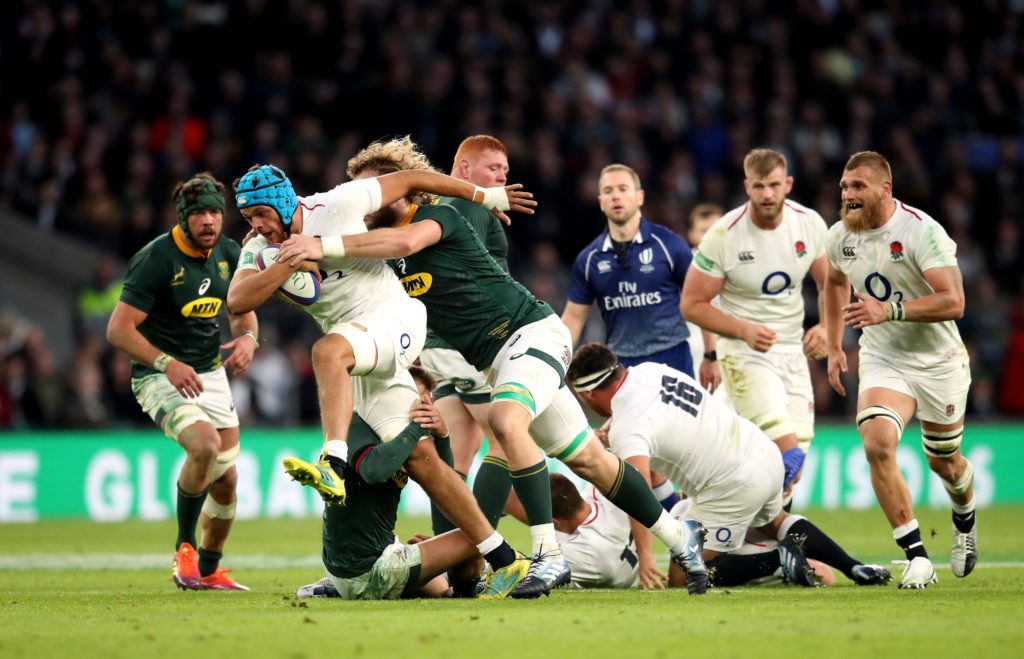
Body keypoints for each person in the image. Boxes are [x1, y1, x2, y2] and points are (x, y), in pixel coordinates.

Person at [275, 137, 712, 597]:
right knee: (591, 461)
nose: (364, 204)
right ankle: (682, 539)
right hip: (496, 362)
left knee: (505, 420)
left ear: (400, 192)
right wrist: (274, 242)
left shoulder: (435, 218)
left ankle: (546, 555)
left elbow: (403, 239)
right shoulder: (379, 258)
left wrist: (320, 243)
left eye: (376, 192)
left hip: (531, 333)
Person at [226, 161, 535, 597]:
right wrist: (286, 260)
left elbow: (411, 180)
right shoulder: (260, 247)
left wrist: (483, 196)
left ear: (280, 201)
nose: (255, 225)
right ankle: (507, 560)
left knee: (325, 350)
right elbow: (237, 301)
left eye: (260, 213)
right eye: (248, 219)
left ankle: (332, 461)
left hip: (394, 322)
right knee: (422, 461)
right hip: (361, 354)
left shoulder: (336, 204)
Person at [567, 341, 892, 590]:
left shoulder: (628, 425)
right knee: (774, 522)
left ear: (589, 393)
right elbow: (656, 417)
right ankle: (854, 567)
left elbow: (637, 489)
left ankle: (777, 562)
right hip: (761, 452)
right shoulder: (649, 371)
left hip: (733, 484)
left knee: (682, 575)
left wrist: (647, 556)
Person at [825, 151, 977, 589]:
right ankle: (916, 556)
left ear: (884, 190)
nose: (848, 195)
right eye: (844, 186)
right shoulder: (840, 237)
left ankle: (964, 518)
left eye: (858, 187)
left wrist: (889, 310)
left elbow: (955, 301)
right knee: (876, 442)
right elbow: (834, 282)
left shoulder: (920, 231)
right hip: (884, 357)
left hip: (938, 361)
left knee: (944, 462)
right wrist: (835, 344)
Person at [106, 172, 256, 591]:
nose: (209, 221)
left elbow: (243, 310)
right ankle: (184, 550)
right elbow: (118, 330)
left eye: (215, 212)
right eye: (200, 214)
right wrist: (166, 363)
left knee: (227, 480)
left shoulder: (229, 254)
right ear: (184, 217)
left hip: (209, 373)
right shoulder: (156, 259)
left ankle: (208, 569)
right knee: (205, 445)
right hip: (159, 375)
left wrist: (248, 338)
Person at [681, 149, 829, 491]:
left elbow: (832, 282)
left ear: (788, 184)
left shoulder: (808, 223)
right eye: (759, 186)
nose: (767, 194)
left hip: (793, 353)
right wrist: (742, 332)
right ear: (747, 186)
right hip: (742, 355)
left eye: (774, 185)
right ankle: (705, 525)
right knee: (787, 456)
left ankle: (752, 538)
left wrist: (827, 330)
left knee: (790, 475)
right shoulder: (723, 235)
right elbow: (691, 304)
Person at [418, 135, 539, 535]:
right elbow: (465, 276)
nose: (502, 178)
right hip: (470, 342)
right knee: (505, 440)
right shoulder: (469, 204)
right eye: (493, 169)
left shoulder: (443, 205)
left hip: (438, 343)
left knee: (457, 456)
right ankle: (475, 554)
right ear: (465, 170)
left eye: (505, 170)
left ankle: (444, 556)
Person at [293, 406, 508, 600]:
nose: (423, 406)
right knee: (477, 538)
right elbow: (373, 471)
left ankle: (339, 587)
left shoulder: (392, 431)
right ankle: (469, 592)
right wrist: (415, 429)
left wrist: (442, 437)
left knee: (442, 588)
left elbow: (448, 491)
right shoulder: (356, 424)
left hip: (372, 556)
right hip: (370, 568)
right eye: (416, 396)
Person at [562, 164, 698, 376]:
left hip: (673, 357)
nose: (616, 196)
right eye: (608, 191)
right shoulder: (588, 260)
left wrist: (711, 354)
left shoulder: (670, 245)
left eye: (623, 189)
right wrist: (554, 362)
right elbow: (574, 317)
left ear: (640, 197)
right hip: (623, 366)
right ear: (601, 202)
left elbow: (701, 299)